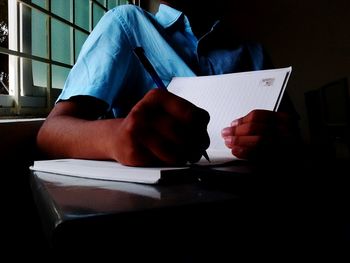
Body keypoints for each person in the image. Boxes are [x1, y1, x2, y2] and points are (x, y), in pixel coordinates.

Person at [37, 0, 300, 166]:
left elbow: (294, 139)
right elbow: (51, 134)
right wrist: (115, 138)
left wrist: (283, 139)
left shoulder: (255, 54)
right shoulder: (127, 24)